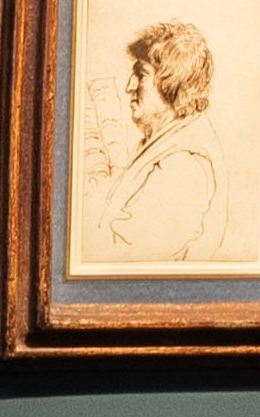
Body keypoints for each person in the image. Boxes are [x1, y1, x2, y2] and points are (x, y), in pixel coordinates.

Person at [86, 15, 239, 265]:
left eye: (141, 74)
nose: (129, 86)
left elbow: (125, 256)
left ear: (171, 84)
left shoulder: (186, 164)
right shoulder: (163, 143)